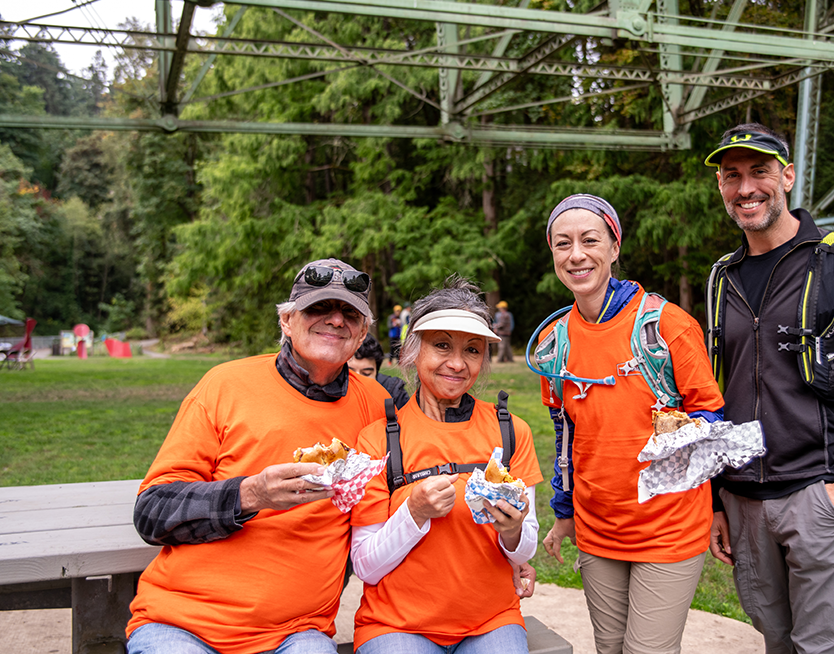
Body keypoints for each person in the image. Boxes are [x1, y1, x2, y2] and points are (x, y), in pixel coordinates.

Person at [704, 124, 834, 654]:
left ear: (788, 177)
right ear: (722, 188)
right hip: (742, 501)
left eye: (760, 172)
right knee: (776, 641)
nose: (746, 188)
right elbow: (707, 395)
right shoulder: (722, 278)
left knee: (824, 648)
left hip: (818, 496)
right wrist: (714, 500)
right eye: (732, 176)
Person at [126, 258, 390, 654]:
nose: (336, 320)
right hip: (183, 624)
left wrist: (511, 552)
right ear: (286, 321)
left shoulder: (378, 403)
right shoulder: (225, 385)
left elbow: (442, 426)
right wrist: (250, 495)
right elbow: (152, 513)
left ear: (362, 332)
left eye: (350, 313)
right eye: (319, 307)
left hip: (299, 633)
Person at [537, 194, 726, 654]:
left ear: (615, 247)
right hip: (598, 528)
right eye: (563, 244)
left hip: (669, 526)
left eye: (589, 240)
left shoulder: (666, 326)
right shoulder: (552, 343)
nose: (576, 254)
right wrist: (564, 515)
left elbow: (712, 417)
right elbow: (566, 438)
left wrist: (680, 434)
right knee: (610, 648)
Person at [349, 275, 543, 653]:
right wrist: (414, 512)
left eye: (472, 350)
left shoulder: (511, 431)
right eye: (441, 346)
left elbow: (524, 551)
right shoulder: (379, 439)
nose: (456, 363)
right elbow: (366, 566)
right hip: (395, 625)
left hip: (492, 620)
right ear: (412, 351)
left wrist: (514, 531)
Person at [350, 332, 410, 409]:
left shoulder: (393, 393)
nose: (357, 379)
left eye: (366, 373)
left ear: (376, 373)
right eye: (350, 372)